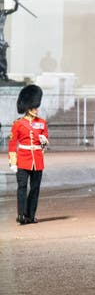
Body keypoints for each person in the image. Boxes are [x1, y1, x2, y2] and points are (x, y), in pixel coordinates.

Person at [9, 85, 49, 224]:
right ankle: (21, 215)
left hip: (37, 159)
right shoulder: (18, 124)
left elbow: (45, 139)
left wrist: (44, 142)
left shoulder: (42, 123)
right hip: (23, 160)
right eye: (34, 107)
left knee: (35, 189)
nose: (36, 109)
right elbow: (13, 144)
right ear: (28, 107)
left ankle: (30, 215)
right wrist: (13, 162)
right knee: (22, 187)